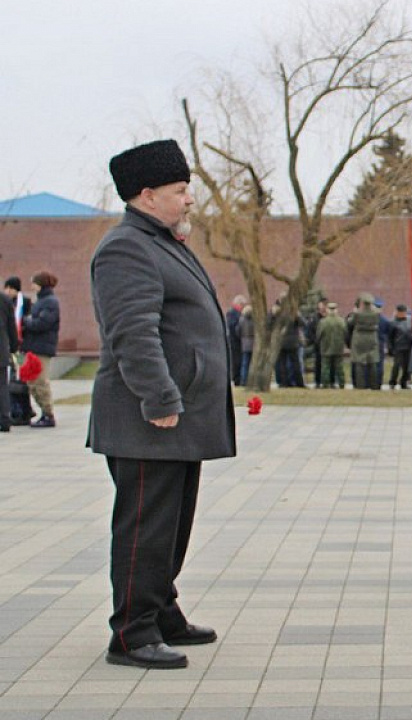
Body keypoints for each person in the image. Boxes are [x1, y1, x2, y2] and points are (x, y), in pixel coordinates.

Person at [90, 139, 234, 669]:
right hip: (150, 417)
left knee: (171, 523)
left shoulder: (163, 241)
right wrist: (159, 396)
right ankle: (131, 632)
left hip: (178, 415)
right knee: (145, 527)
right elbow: (132, 332)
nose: (190, 199)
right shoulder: (127, 247)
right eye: (180, 191)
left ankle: (161, 611)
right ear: (147, 196)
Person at [20, 270, 60, 427]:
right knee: (33, 381)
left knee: (41, 381)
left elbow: (42, 323)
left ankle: (48, 414)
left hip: (42, 347)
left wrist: (26, 322)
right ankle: (44, 412)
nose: (32, 286)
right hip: (34, 346)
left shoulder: (50, 302)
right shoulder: (41, 301)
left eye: (34, 283)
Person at [347, 294, 380, 390]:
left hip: (359, 338)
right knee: (372, 361)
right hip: (372, 337)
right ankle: (374, 385)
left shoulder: (357, 314)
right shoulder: (376, 313)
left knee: (359, 362)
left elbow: (350, 322)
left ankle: (360, 385)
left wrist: (354, 313)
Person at [316, 302, 347, 389]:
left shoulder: (323, 322)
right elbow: (346, 334)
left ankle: (325, 384)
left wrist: (318, 344)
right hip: (338, 348)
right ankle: (342, 383)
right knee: (339, 367)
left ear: (328, 310)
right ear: (336, 310)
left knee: (325, 367)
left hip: (326, 347)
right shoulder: (341, 321)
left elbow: (318, 335)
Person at [0, 287, 16, 432]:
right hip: (1, 349)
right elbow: (12, 326)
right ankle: (4, 420)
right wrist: (14, 347)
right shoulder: (5, 300)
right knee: (2, 386)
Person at [388, 304, 412, 389]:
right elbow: (390, 337)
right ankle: (392, 382)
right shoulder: (393, 322)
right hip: (398, 347)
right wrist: (390, 348)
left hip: (408, 347)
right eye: (402, 312)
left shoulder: (409, 321)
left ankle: (404, 382)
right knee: (396, 366)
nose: (404, 314)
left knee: (407, 367)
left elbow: (411, 332)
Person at [225, 296, 246, 386]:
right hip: (234, 342)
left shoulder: (238, 314)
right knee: (236, 361)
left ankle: (239, 379)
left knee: (240, 361)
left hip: (240, 342)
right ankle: (237, 379)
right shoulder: (232, 314)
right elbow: (232, 327)